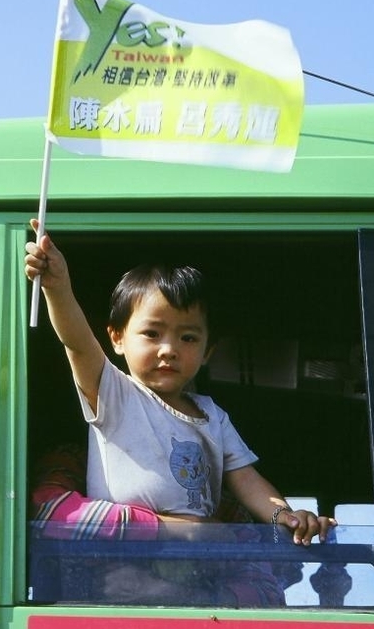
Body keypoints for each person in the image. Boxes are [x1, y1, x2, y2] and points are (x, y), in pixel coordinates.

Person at [24, 222, 337, 551]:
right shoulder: (114, 394)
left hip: (195, 560)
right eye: (152, 334)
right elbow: (77, 343)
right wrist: (57, 288)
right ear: (117, 338)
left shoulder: (213, 416)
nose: (169, 349)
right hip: (124, 557)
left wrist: (283, 515)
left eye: (187, 338)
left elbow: (246, 480)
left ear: (207, 352)